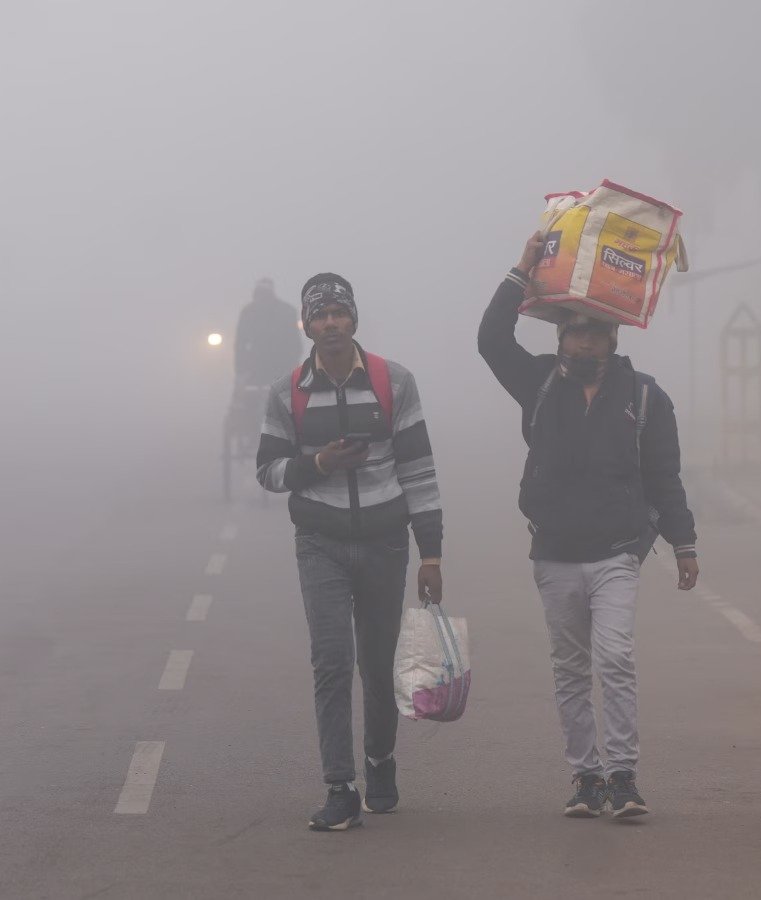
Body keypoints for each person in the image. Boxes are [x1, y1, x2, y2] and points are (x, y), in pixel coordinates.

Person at [478, 232, 700, 821]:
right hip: (553, 553)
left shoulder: (646, 397)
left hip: (617, 553)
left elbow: (664, 475)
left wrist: (684, 543)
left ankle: (623, 775)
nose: (584, 339)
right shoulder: (541, 383)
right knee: (571, 668)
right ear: (561, 337)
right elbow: (491, 341)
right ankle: (586, 777)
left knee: (616, 657)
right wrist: (521, 270)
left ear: (611, 337)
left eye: (594, 331)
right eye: (574, 330)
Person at [256, 273, 444, 832]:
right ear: (307, 327)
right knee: (332, 662)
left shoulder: (394, 381)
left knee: (378, 664)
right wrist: (318, 465)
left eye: (340, 313)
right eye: (321, 315)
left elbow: (419, 470)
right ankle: (339, 787)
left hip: (386, 543)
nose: (331, 323)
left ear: (354, 320)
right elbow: (267, 470)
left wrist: (430, 554)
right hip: (321, 544)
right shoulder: (286, 392)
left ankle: (380, 763)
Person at [235, 277, 301, 388]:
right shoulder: (248, 312)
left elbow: (294, 342)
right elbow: (240, 343)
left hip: (274, 366)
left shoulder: (287, 311)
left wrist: (241, 369)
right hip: (260, 368)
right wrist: (241, 369)